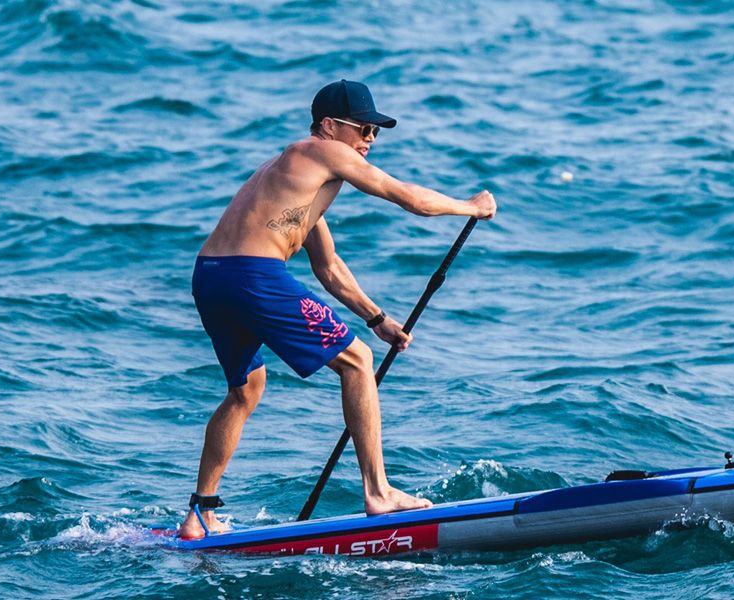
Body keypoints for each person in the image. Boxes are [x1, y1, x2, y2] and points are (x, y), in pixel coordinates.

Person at [178, 79, 497, 539]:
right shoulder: (319, 150)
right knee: (357, 361)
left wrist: (378, 319)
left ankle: (201, 513)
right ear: (329, 126)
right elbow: (406, 196)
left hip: (211, 276)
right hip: (250, 274)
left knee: (246, 389)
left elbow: (328, 268)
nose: (369, 140)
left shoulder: (296, 179)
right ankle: (379, 491)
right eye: (363, 129)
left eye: (376, 133)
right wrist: (469, 207)